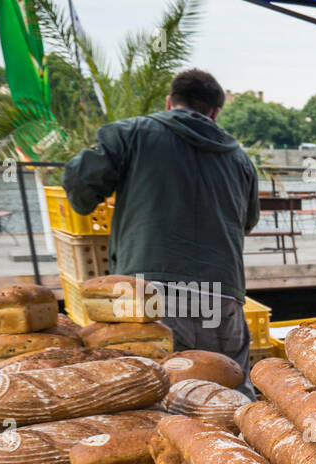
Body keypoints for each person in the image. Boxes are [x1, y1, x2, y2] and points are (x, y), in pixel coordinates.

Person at [64, 69, 259, 384]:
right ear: (215, 112)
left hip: (150, 295)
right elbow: (246, 222)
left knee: (158, 395)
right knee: (231, 392)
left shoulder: (131, 134)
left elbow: (80, 187)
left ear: (170, 102)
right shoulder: (239, 158)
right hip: (220, 294)